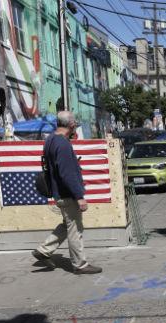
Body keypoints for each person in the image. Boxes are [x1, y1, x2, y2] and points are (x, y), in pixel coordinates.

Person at [32, 111, 103, 275]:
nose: (75, 126)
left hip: (59, 193)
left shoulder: (50, 139)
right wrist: (79, 196)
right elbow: (66, 173)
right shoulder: (62, 144)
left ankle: (44, 250)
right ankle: (80, 264)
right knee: (75, 229)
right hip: (67, 194)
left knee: (67, 224)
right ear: (71, 125)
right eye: (75, 124)